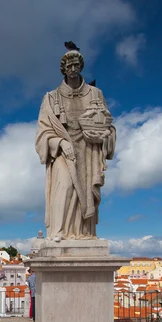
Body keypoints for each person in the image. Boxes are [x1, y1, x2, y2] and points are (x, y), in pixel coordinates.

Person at [35, 41, 116, 240]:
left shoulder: (95, 94)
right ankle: (59, 232)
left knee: (87, 192)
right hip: (62, 149)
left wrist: (105, 136)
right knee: (65, 186)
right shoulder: (51, 97)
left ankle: (85, 233)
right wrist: (61, 143)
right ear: (63, 69)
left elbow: (108, 124)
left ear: (81, 67)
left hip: (88, 149)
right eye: (69, 66)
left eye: (76, 66)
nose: (73, 69)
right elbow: (42, 132)